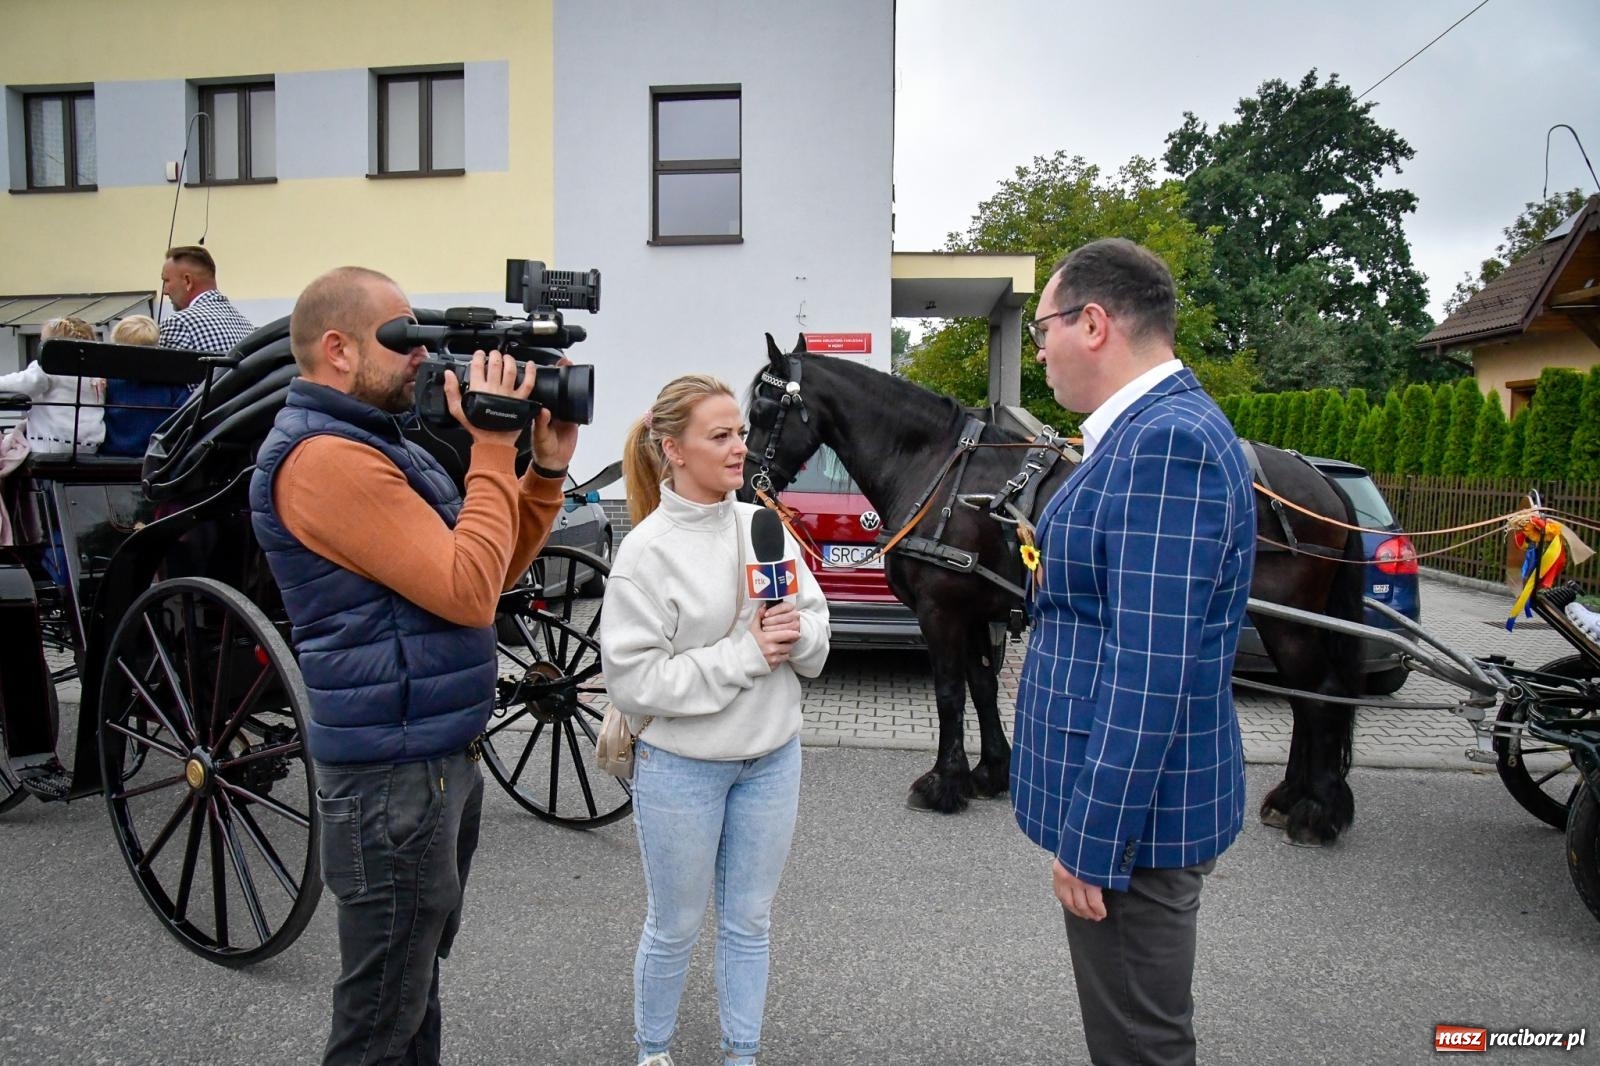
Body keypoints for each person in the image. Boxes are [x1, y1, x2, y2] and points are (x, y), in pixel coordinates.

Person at [248, 265, 577, 1066]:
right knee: (379, 1018)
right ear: (336, 349)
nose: (426, 359)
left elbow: (486, 573)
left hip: (430, 762)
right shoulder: (327, 459)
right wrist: (493, 446)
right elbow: (469, 593)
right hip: (392, 778)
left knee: (413, 987)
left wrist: (543, 470)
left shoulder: (384, 446)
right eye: (403, 340)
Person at [1010, 238, 1256, 1066]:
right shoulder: (1142, 432)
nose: (1037, 351)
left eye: (1042, 329)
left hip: (1132, 832)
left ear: (1093, 323)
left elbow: (1149, 666)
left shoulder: (1164, 445)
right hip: (1133, 818)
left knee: (1139, 1045)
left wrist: (1093, 839)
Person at [600, 375, 830, 1066]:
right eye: (721, 435)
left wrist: (799, 636)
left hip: (773, 759)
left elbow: (816, 629)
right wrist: (746, 653)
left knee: (749, 922)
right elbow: (635, 682)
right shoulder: (646, 554)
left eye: (740, 432)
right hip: (681, 769)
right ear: (672, 449)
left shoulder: (763, 525)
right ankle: (653, 1052)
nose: (741, 447)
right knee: (674, 926)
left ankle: (742, 1054)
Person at [0, 315, 105, 454]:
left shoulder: (50, 365)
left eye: (43, 342)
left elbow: (24, 383)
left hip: (52, 442)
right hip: (89, 445)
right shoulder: (95, 373)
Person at [100, 314, 191, 457]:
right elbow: (185, 417)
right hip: (157, 456)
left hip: (112, 453)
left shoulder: (109, 381)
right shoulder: (172, 382)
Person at [157, 245, 255, 355]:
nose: (164, 291)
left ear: (187, 281)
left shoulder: (178, 323)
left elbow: (166, 372)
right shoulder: (246, 325)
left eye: (167, 280)